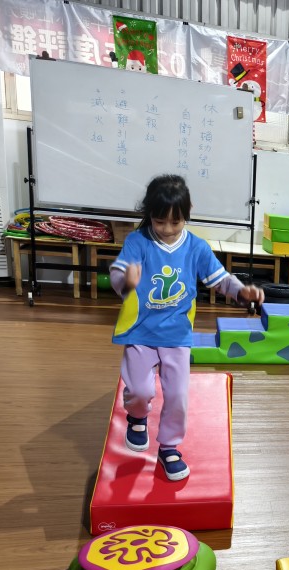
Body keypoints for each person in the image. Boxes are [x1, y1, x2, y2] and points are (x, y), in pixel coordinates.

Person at [109, 175, 264, 481]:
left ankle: (169, 447)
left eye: (175, 222)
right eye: (159, 221)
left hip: (177, 335)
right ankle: (137, 418)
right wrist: (125, 280)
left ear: (187, 213)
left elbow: (220, 279)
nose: (167, 229)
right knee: (139, 390)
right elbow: (118, 273)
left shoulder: (196, 247)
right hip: (141, 332)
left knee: (178, 396)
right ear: (149, 214)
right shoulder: (137, 242)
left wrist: (241, 291)